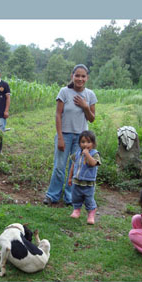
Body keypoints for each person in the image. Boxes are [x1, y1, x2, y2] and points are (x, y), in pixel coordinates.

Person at [43, 64, 97, 206]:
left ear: (87, 78)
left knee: (76, 167)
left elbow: (91, 119)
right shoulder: (64, 92)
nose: (80, 79)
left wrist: (85, 106)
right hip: (65, 135)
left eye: (83, 76)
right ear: (72, 76)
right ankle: (52, 195)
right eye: (77, 75)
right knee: (59, 166)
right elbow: (58, 115)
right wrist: (60, 137)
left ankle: (70, 197)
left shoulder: (90, 95)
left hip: (81, 139)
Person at [68, 130, 101, 224]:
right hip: (77, 181)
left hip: (88, 183)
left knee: (88, 199)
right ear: (79, 143)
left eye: (88, 142)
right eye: (83, 142)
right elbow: (73, 166)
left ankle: (91, 213)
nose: (85, 144)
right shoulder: (77, 154)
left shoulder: (95, 154)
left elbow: (93, 163)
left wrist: (87, 154)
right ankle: (76, 210)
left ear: (93, 144)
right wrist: (70, 178)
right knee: (76, 197)